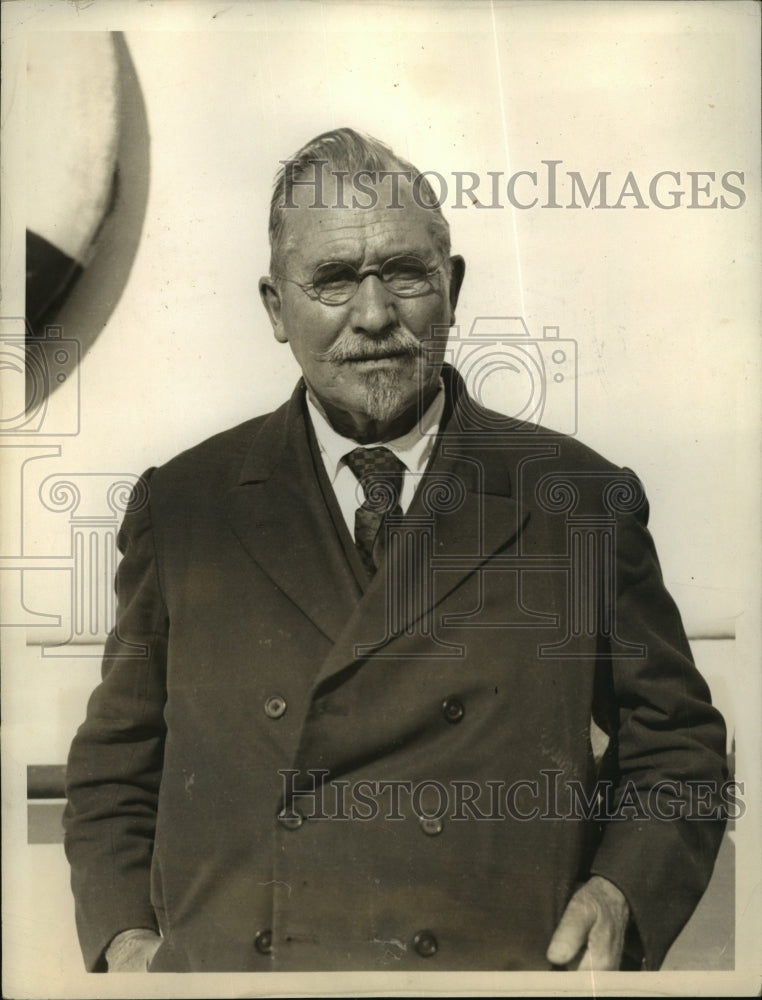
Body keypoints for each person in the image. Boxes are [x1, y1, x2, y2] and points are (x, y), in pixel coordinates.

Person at [63, 127, 728, 974]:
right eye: (334, 280)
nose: (374, 317)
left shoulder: (575, 497)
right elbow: (116, 764)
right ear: (276, 308)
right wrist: (125, 944)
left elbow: (680, 747)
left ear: (450, 289)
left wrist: (618, 894)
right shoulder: (186, 504)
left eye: (404, 275)